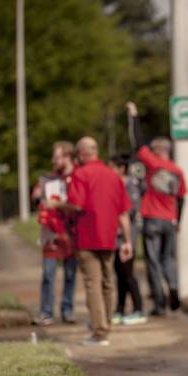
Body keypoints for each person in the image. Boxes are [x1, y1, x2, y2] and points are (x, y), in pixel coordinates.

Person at [67, 136, 133, 346]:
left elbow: (76, 205)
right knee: (107, 283)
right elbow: (123, 213)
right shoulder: (113, 176)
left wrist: (57, 205)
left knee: (92, 285)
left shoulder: (79, 174)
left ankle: (100, 332)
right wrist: (128, 241)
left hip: (87, 238)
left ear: (83, 153)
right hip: (109, 238)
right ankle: (106, 325)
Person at [126, 102, 186, 316]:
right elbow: (181, 198)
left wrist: (133, 116)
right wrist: (178, 220)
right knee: (168, 259)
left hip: (152, 218)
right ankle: (173, 287)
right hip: (170, 220)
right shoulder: (178, 171)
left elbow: (137, 142)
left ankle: (160, 303)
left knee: (152, 262)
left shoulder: (152, 163)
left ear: (158, 150)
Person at [30, 141, 77, 326]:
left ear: (67, 157)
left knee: (71, 273)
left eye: (56, 157)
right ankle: (46, 311)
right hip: (51, 233)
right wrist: (38, 195)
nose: (53, 160)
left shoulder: (78, 177)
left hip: (71, 232)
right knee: (49, 274)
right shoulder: (47, 179)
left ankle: (67, 309)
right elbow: (36, 199)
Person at [108, 154, 147, 325]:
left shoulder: (131, 184)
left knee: (128, 273)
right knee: (119, 273)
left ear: (121, 168)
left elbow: (131, 209)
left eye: (112, 167)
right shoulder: (114, 184)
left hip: (127, 235)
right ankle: (120, 309)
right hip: (116, 235)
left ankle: (138, 309)